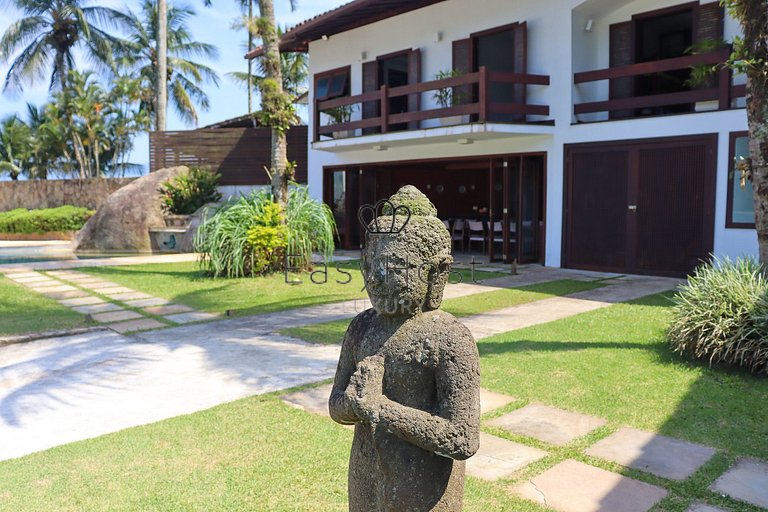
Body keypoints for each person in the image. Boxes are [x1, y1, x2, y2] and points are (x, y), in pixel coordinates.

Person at [329, 185, 481, 511]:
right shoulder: (361, 328)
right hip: (365, 481)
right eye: (369, 266)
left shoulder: (449, 338)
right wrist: (353, 404)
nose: (376, 278)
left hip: (424, 493)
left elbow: (462, 437)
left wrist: (380, 409)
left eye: (394, 267)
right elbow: (335, 404)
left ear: (436, 274)